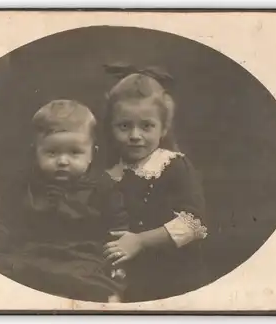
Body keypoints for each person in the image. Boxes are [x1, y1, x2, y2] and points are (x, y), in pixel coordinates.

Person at [0, 99, 128, 303]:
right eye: (52, 152)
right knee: (9, 277)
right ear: (35, 152)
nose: (63, 161)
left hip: (82, 257)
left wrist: (118, 264)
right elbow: (5, 221)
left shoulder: (104, 187)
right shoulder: (25, 184)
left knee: (94, 287)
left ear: (93, 153)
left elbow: (116, 228)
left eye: (75, 152)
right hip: (34, 253)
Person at [102, 63, 209, 302]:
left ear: (163, 128)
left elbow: (193, 224)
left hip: (172, 274)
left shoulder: (173, 166)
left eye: (147, 126)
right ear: (111, 127)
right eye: (124, 126)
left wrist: (140, 240)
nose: (135, 135)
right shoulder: (110, 172)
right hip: (124, 275)